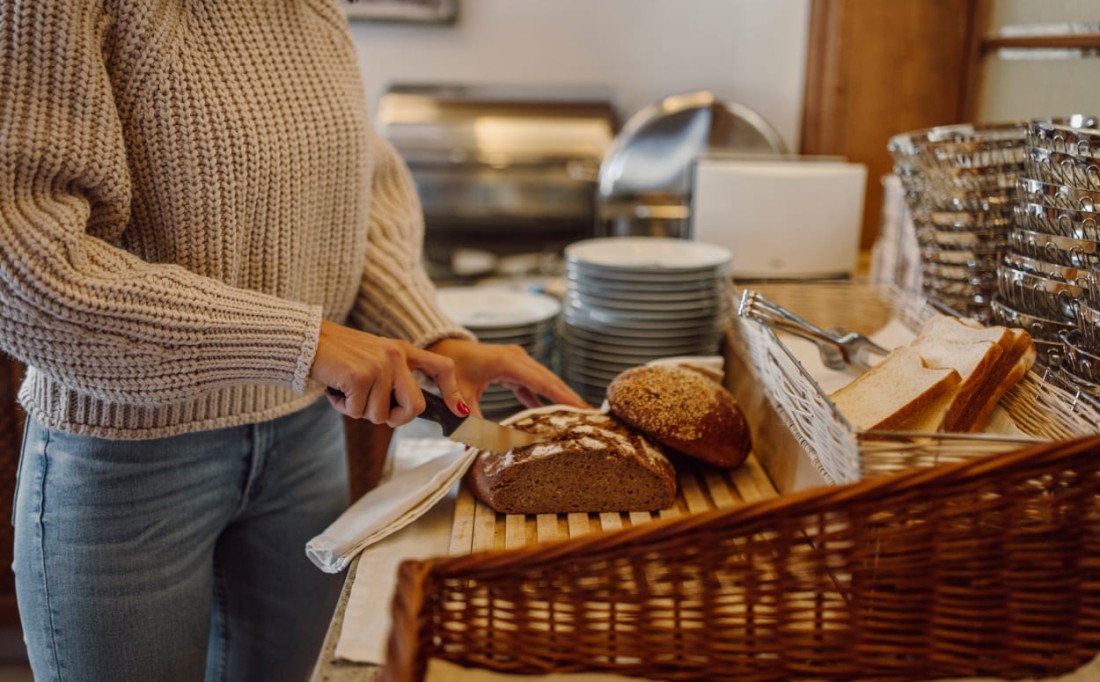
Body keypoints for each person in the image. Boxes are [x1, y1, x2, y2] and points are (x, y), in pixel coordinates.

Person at [0, 2, 587, 681]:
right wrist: (300, 342)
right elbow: (22, 267)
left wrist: (431, 335)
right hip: (127, 459)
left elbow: (351, 199)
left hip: (304, 438)